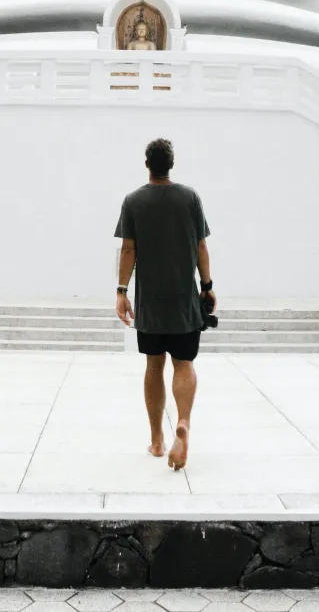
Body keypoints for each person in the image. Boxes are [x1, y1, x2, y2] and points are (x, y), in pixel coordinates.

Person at [113, 137, 213, 469]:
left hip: (151, 304)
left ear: (147, 165)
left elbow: (129, 250)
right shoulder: (190, 198)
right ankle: (182, 422)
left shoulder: (133, 201)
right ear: (171, 164)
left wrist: (122, 291)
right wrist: (208, 286)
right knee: (183, 364)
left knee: (153, 366)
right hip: (184, 300)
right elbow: (201, 246)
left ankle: (157, 440)